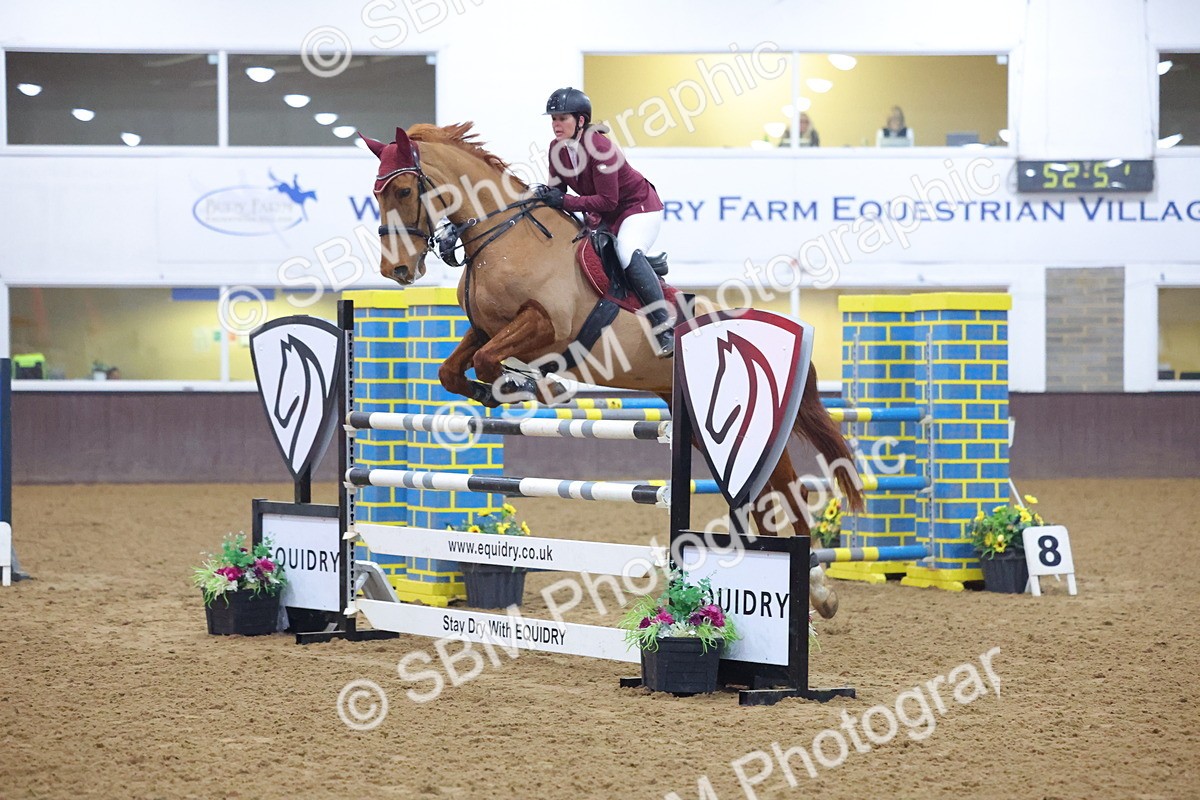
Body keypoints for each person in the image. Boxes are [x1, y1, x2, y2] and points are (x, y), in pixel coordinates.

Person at [534, 87, 673, 357]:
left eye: (562, 118)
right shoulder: (556, 149)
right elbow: (557, 193)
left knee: (624, 251)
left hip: (638, 208)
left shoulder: (600, 147)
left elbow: (608, 201)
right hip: (605, 215)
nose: (556, 125)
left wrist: (563, 202)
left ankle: (663, 326)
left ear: (581, 121)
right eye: (553, 119)